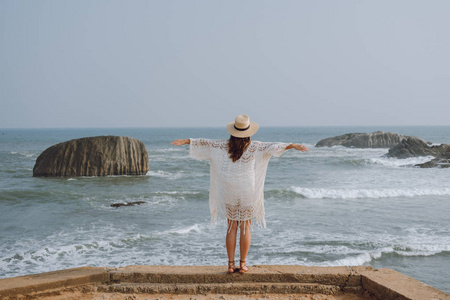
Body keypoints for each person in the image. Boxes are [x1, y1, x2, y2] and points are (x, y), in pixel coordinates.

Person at [171, 115, 308, 274]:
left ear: (233, 131)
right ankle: (242, 265)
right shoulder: (256, 146)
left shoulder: (222, 145)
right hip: (247, 191)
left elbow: (205, 142)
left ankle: (230, 265)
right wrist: (293, 145)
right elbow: (274, 146)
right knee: (245, 227)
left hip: (229, 190)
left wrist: (187, 141)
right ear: (249, 132)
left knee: (231, 227)